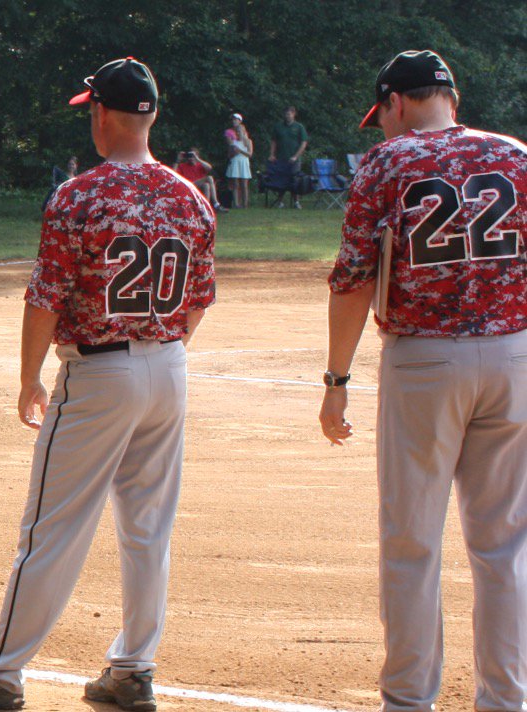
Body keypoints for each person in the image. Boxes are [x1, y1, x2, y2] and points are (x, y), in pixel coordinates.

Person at [0, 57, 213, 712]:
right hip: (169, 366)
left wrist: (29, 377)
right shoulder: (191, 197)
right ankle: (133, 669)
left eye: (91, 112)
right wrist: (157, 350)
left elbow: (44, 298)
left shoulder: (79, 195)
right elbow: (198, 302)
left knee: (52, 527)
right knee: (148, 528)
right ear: (153, 115)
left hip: (98, 371)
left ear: (102, 116)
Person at [320, 50, 527, 712]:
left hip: (426, 359)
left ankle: (409, 700)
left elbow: (352, 279)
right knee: (505, 545)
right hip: (514, 354)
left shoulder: (388, 163)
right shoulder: (517, 156)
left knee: (412, 541)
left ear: (398, 103)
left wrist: (337, 377)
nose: (381, 128)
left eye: (380, 115)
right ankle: (507, 700)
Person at [225, 114, 253, 208]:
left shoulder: (248, 141)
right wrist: (234, 153)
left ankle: (245, 204)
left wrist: (240, 151)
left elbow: (250, 154)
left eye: (240, 131)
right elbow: (230, 154)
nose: (238, 133)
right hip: (235, 162)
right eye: (237, 132)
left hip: (244, 162)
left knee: (244, 184)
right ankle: (236, 203)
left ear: (244, 132)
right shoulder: (234, 143)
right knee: (235, 183)